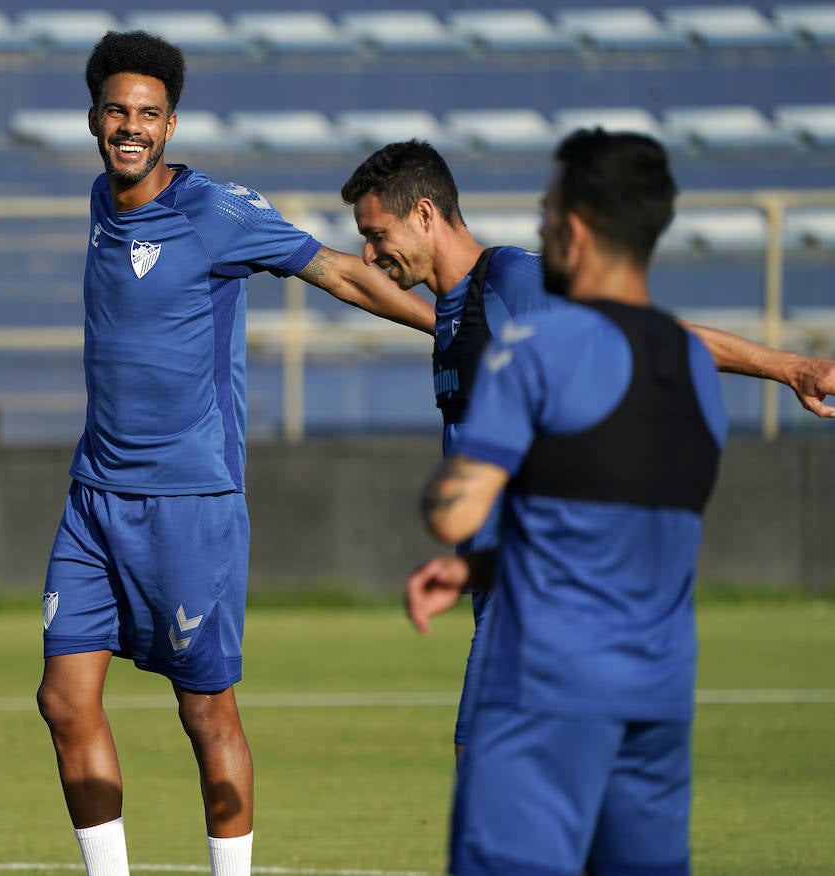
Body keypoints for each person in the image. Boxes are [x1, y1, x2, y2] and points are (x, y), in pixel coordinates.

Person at [34, 30, 435, 876]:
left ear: (171, 125)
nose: (130, 127)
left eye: (148, 114)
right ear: (95, 119)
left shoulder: (215, 211)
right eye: (117, 111)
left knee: (205, 711)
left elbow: (337, 271)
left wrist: (450, 326)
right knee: (65, 702)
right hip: (93, 497)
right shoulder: (103, 200)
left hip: (189, 500)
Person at [339, 139, 835, 762]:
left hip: (541, 590)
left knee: (490, 784)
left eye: (376, 233)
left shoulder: (516, 282)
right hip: (504, 585)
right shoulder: (448, 310)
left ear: (426, 215)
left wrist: (790, 368)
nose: (370, 251)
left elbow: (651, 337)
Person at [405, 128, 726, 875]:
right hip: (659, 690)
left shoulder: (537, 349)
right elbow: (613, 517)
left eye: (547, 213)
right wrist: (481, 563)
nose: (540, 229)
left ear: (573, 231)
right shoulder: (694, 369)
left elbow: (453, 510)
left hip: (545, 684)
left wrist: (449, 498)